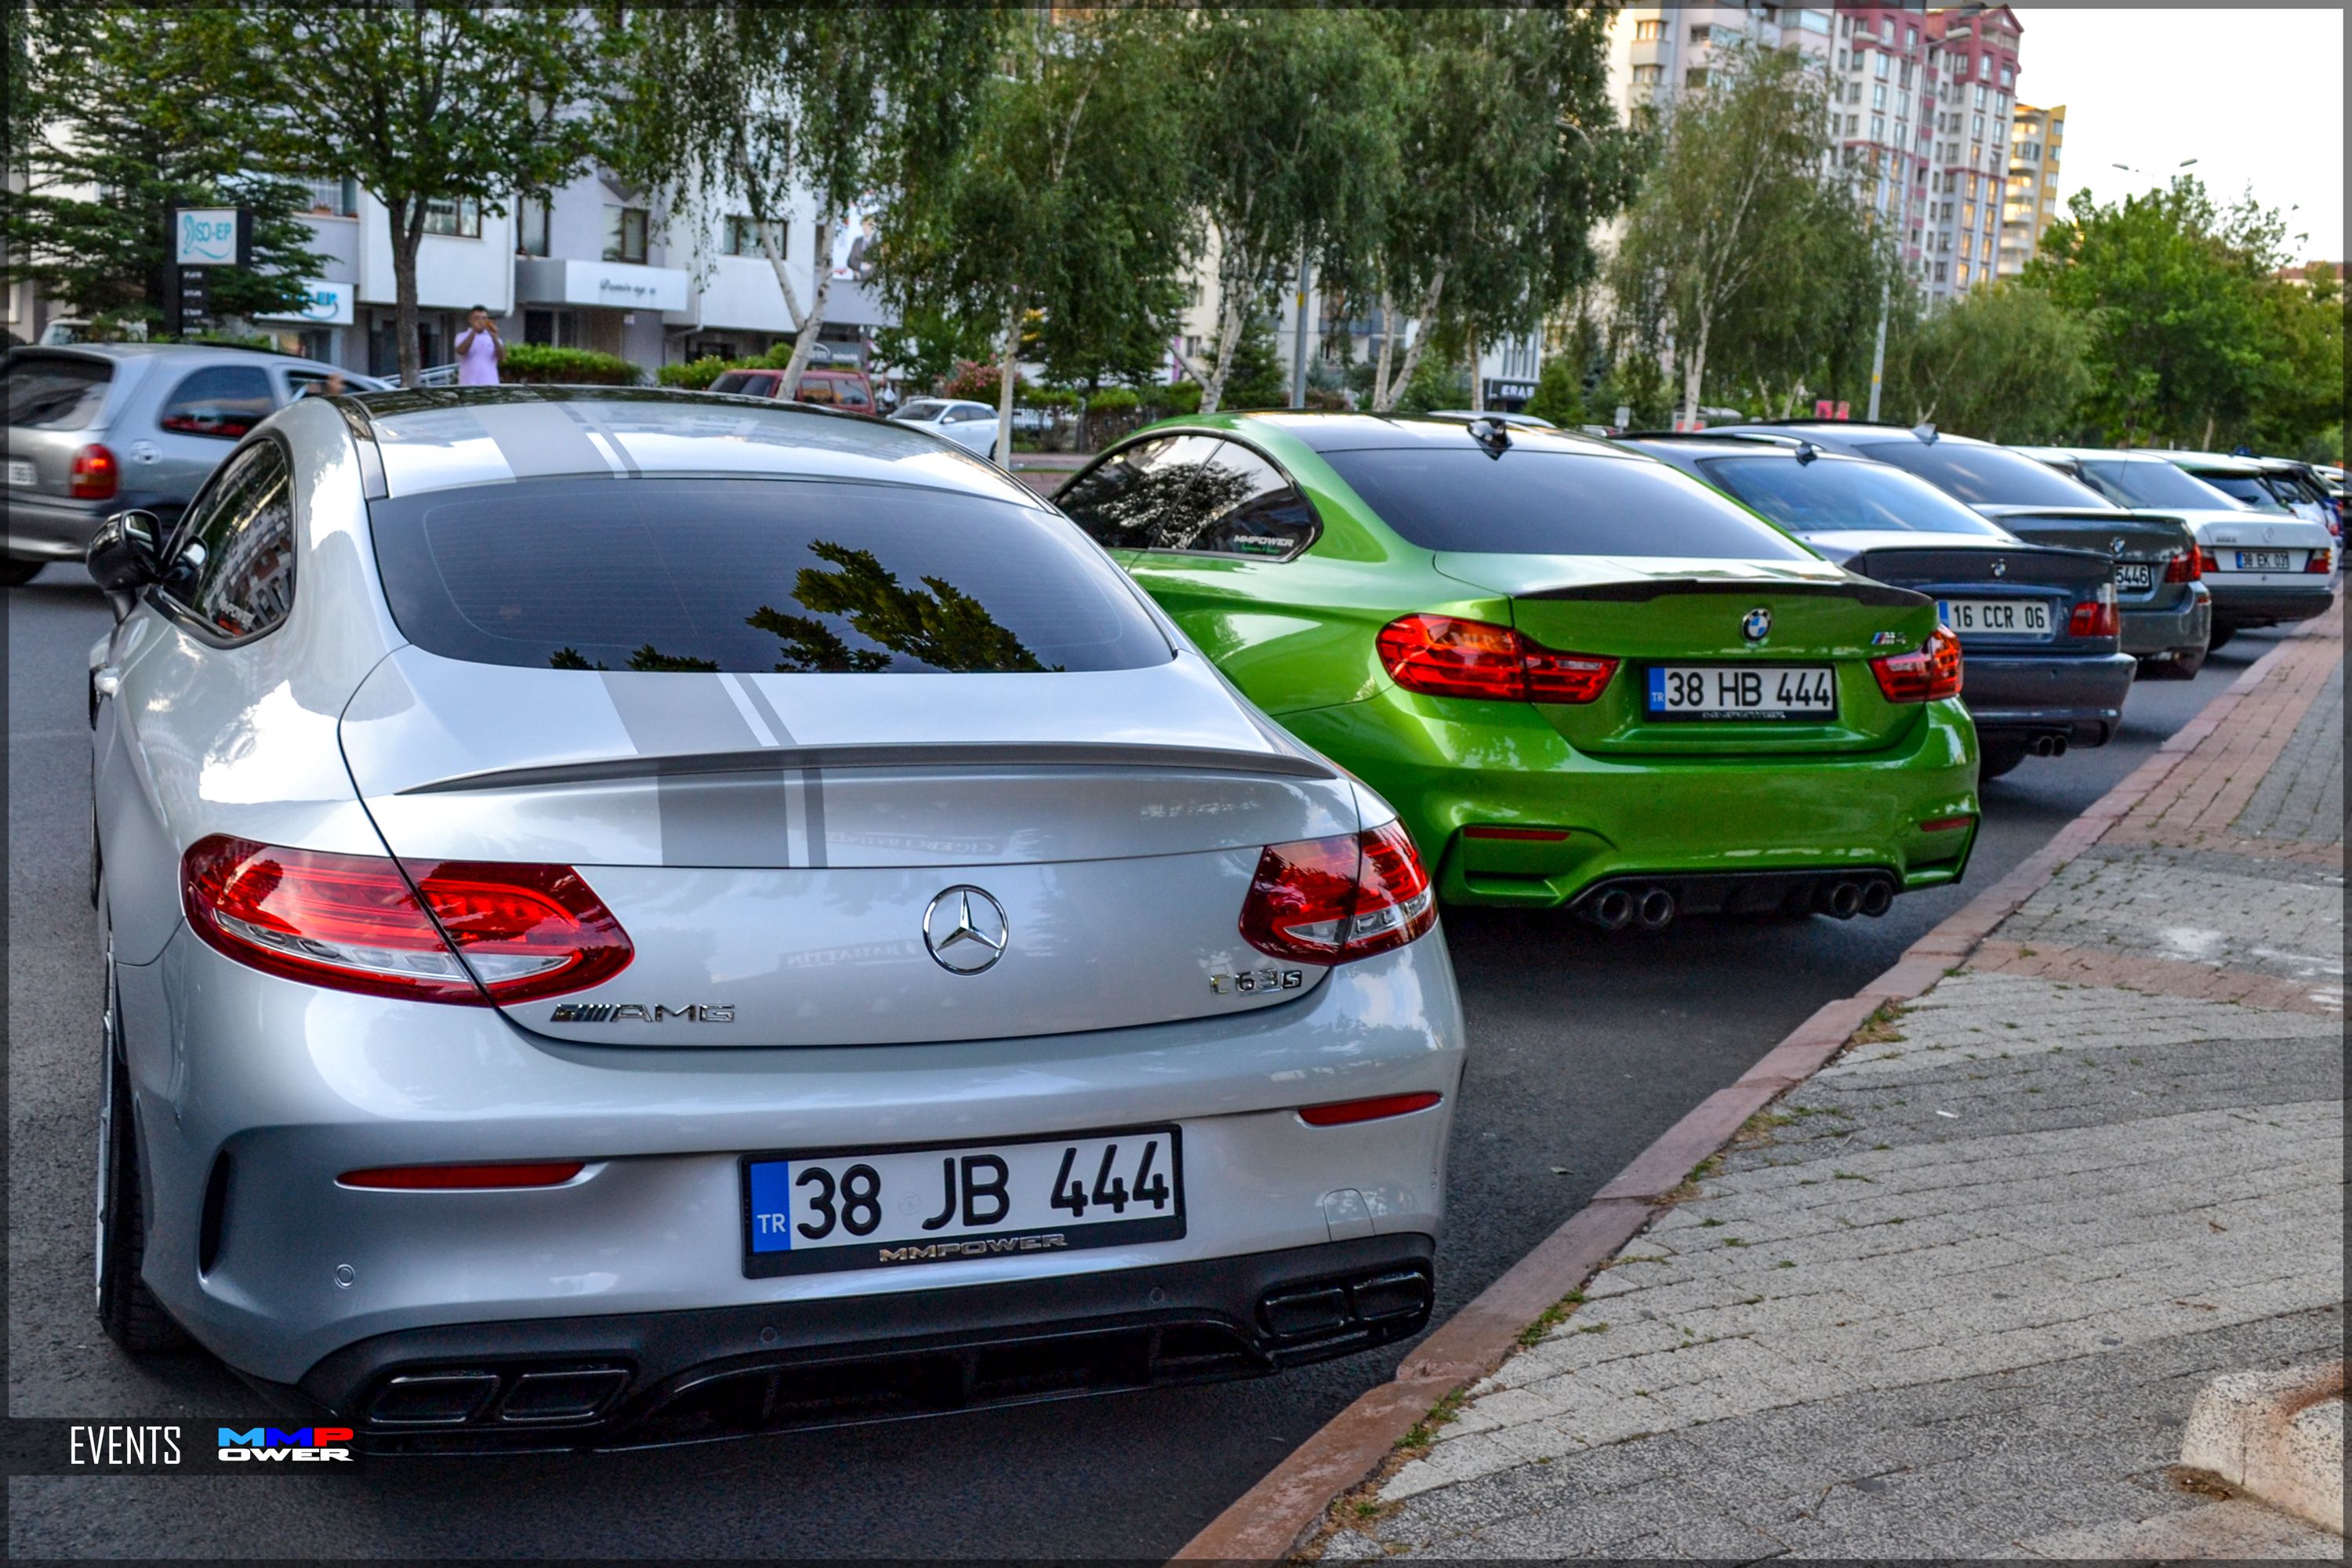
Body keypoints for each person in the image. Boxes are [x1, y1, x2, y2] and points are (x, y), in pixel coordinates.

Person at [456, 306, 503, 387]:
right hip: (468, 385)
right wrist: (474, 332)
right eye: (477, 318)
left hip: (490, 385)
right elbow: (461, 351)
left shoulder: (493, 338)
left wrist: (494, 337)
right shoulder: (462, 336)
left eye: (484, 318)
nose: (481, 321)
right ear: (470, 320)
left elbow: (502, 357)